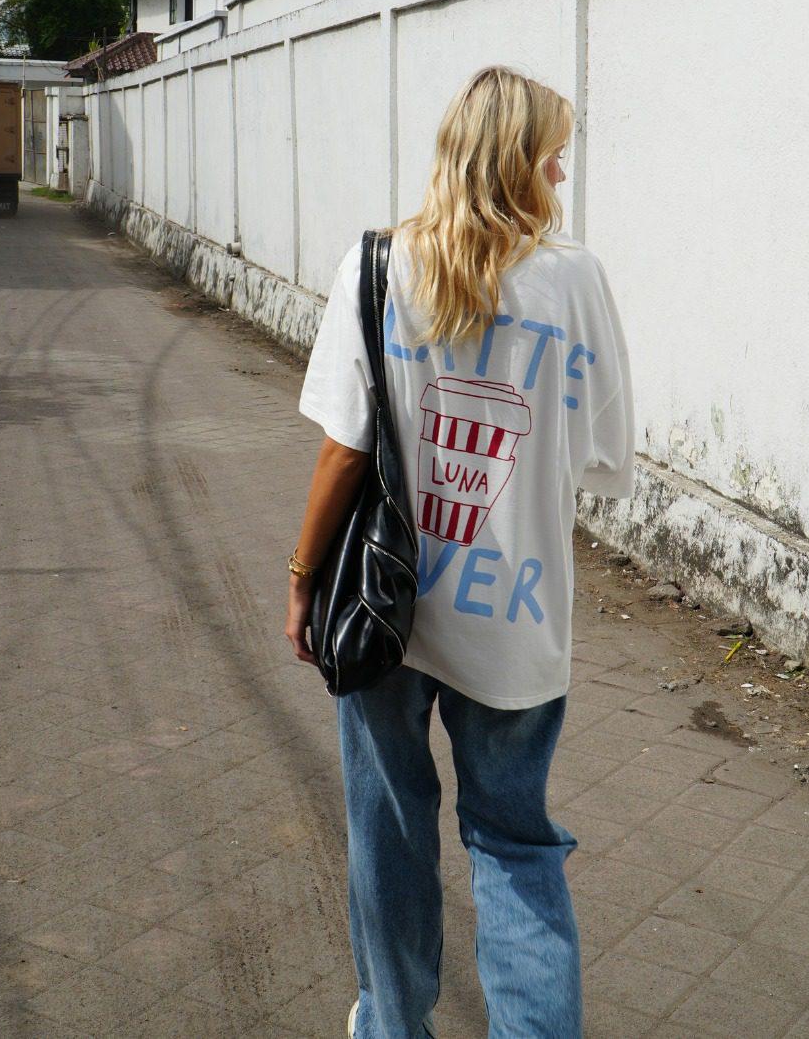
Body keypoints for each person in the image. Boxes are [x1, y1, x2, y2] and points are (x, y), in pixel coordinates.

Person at [286, 65, 635, 1039]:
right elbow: (602, 460)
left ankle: (393, 1025)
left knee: (388, 831)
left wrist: (303, 578)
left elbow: (344, 450)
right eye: (553, 153)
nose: (561, 172)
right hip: (517, 619)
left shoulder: (378, 267)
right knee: (516, 847)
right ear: (515, 161)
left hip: (384, 609)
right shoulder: (575, 280)